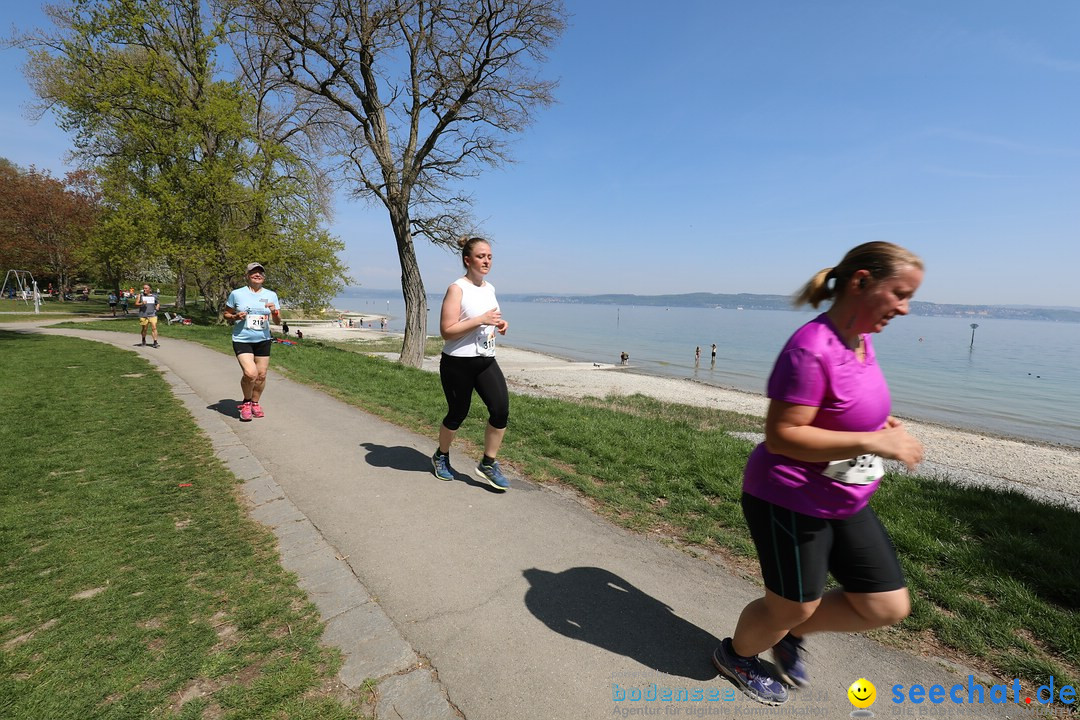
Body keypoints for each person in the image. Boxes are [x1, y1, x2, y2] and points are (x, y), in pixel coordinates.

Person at [712, 242, 925, 706]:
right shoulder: (810, 348)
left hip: (845, 498)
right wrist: (872, 442)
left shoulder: (861, 339)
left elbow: (841, 406)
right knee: (791, 605)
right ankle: (738, 656)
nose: (905, 308)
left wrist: (876, 424)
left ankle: (786, 634)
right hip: (788, 498)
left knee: (885, 606)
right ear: (861, 282)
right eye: (900, 294)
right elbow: (783, 436)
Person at [431, 236, 511, 491]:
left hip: (485, 359)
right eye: (480, 256)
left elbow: (487, 319)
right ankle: (441, 455)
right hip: (458, 362)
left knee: (500, 411)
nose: (486, 261)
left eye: (489, 257)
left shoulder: (490, 288)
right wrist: (480, 319)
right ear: (468, 260)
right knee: (458, 413)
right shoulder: (457, 288)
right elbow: (447, 330)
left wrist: (499, 324)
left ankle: (488, 462)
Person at [223, 262, 281, 422]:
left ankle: (255, 403)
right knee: (250, 373)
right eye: (254, 273)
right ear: (248, 276)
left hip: (263, 339)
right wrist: (235, 316)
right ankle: (246, 402)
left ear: (264, 276)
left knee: (261, 375)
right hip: (242, 339)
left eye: (260, 273)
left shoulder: (271, 295)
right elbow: (226, 314)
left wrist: (274, 311)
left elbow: (277, 320)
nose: (257, 275)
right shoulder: (237, 294)